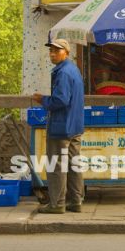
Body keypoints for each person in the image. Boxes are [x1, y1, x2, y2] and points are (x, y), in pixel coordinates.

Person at [32, 38, 84, 214]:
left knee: (56, 166)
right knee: (73, 165)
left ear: (66, 52)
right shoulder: (73, 69)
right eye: (51, 51)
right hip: (75, 125)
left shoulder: (63, 73)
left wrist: (43, 100)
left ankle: (57, 204)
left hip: (61, 127)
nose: (52, 54)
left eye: (57, 50)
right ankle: (76, 201)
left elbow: (61, 100)